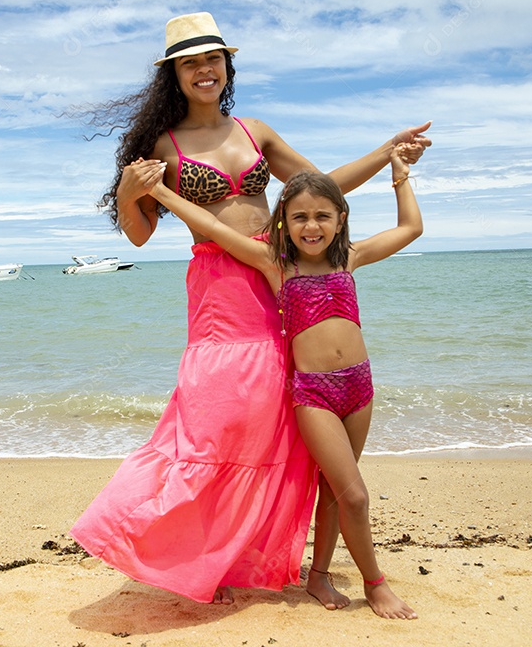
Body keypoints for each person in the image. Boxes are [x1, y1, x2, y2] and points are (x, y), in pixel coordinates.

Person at [69, 11, 431, 605]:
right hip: (221, 289)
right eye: (190, 63)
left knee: (278, 420)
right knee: (221, 420)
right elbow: (138, 234)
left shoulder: (254, 130)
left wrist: (387, 151)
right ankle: (195, 553)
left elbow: (321, 185)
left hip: (280, 275)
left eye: (212, 59)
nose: (203, 70)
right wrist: (133, 193)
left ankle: (262, 557)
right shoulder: (162, 145)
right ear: (173, 75)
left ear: (227, 65)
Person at [147, 155, 422, 619]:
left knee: (334, 490)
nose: (311, 226)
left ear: (341, 219)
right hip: (313, 393)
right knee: (355, 495)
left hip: (359, 386)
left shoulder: (350, 258)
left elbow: (411, 227)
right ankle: (376, 585)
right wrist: (158, 192)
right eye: (300, 217)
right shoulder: (275, 264)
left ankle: (319, 575)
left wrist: (400, 175)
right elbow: (212, 228)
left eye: (322, 216)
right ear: (282, 224)